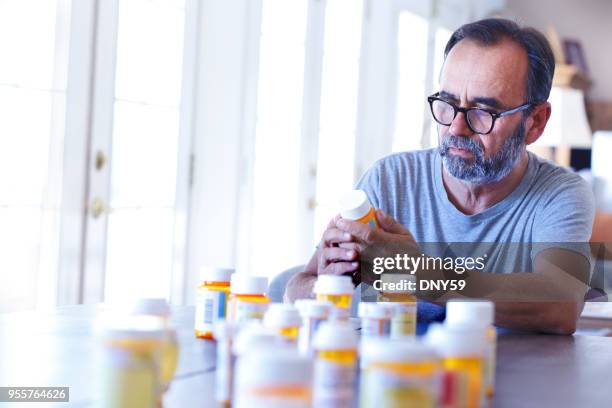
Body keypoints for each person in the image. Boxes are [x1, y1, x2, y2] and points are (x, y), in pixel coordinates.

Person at [285, 18, 595, 334]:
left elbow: (561, 304)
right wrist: (327, 286)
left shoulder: (560, 194)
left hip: (498, 377)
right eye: (447, 104)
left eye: (484, 112)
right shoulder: (390, 180)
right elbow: (297, 287)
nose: (455, 128)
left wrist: (417, 272)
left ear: (535, 122)